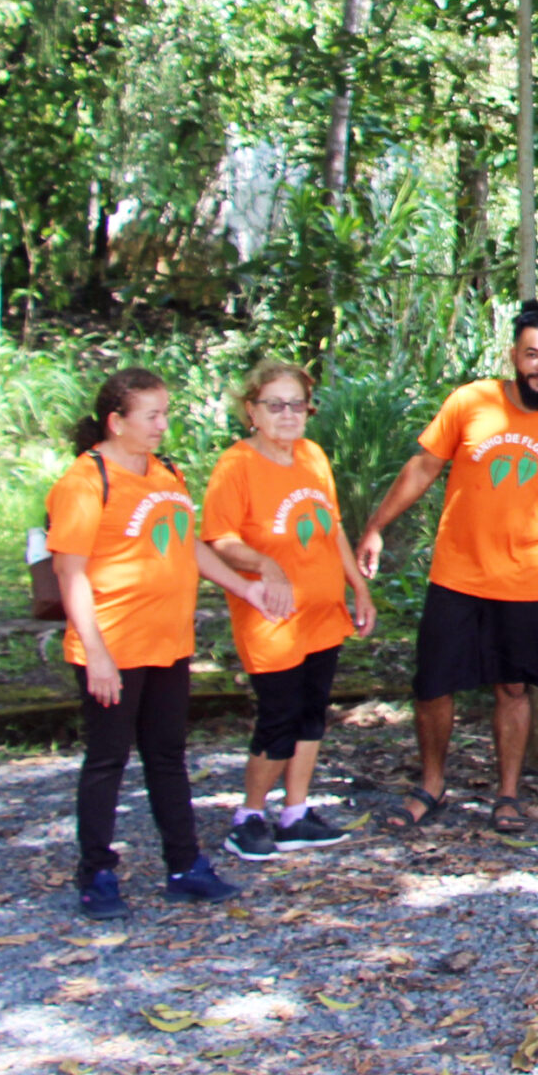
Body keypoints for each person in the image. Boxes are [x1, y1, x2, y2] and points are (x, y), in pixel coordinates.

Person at [357, 301, 538, 837]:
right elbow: (424, 465)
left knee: (514, 689)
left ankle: (509, 794)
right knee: (432, 686)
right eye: (532, 355)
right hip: (457, 574)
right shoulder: (471, 402)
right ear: (513, 356)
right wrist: (376, 526)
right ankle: (431, 785)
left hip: (527, 581)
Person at [50, 370, 257, 916]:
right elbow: (69, 574)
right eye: (152, 416)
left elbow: (187, 544)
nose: (163, 425)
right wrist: (95, 652)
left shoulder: (166, 473)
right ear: (116, 423)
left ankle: (185, 865)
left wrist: (245, 587)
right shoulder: (85, 481)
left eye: (166, 413)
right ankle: (96, 873)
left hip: (168, 642)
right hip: (112, 646)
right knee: (108, 759)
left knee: (167, 755)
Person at [200, 361, 378, 861]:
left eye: (296, 404)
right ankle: (249, 815)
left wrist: (358, 590)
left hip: (322, 611)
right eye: (274, 405)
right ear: (251, 411)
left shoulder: (313, 456)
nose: (287, 415)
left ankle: (295, 812)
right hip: (271, 612)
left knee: (311, 714)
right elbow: (220, 538)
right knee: (278, 717)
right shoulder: (236, 464)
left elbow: (333, 528)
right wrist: (265, 565)